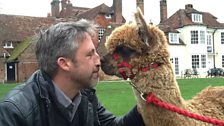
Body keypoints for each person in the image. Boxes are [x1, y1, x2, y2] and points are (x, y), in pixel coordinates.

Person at [0, 19, 145, 126]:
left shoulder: (86, 95)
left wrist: (144, 108)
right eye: (90, 54)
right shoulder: (15, 112)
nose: (99, 61)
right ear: (64, 63)